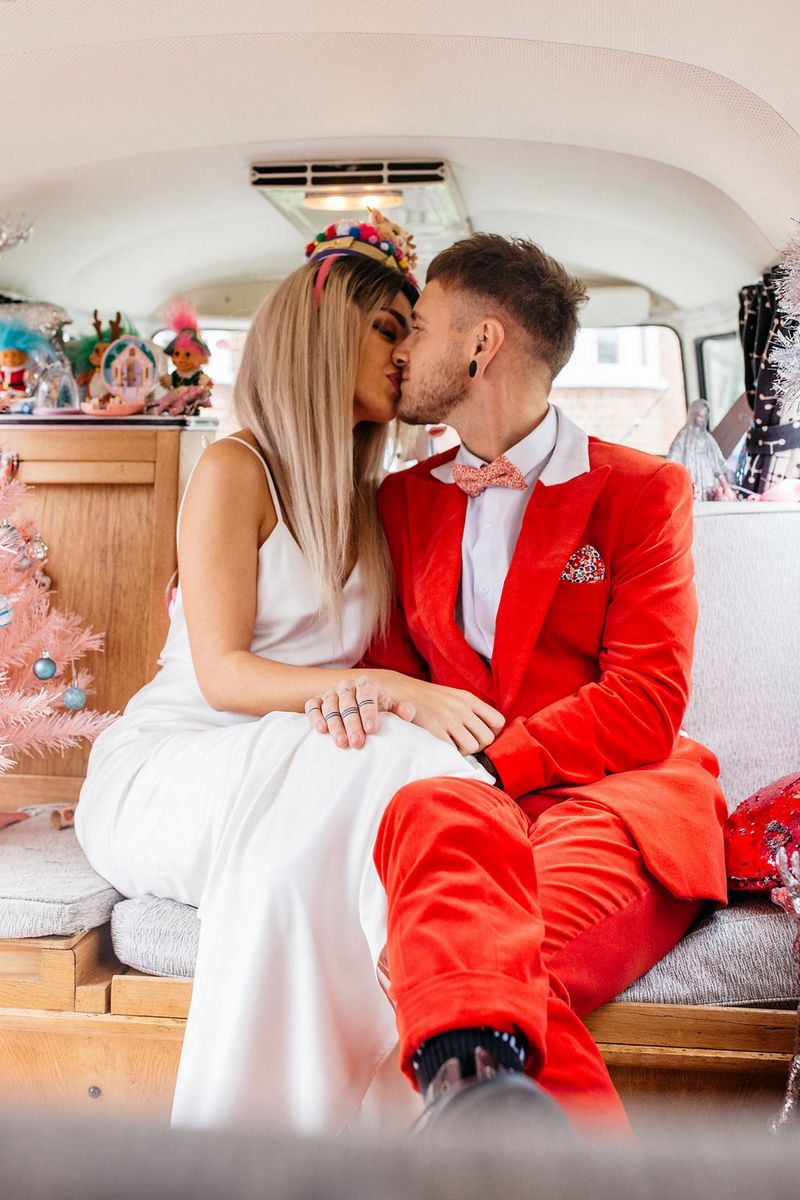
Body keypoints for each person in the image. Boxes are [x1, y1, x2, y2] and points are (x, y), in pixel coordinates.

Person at [74, 214, 515, 1134]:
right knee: (385, 747)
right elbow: (226, 674)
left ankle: (441, 1061)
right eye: (389, 329)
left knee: (361, 780)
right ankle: (452, 1066)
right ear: (320, 340)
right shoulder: (237, 470)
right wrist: (393, 695)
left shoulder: (372, 501)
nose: (406, 354)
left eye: (413, 331)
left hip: (309, 751)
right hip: (181, 763)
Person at [305, 233, 729, 1131]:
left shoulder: (643, 493)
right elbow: (392, 675)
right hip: (458, 805)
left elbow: (647, 702)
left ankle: (466, 1104)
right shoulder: (401, 501)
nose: (402, 351)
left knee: (476, 963)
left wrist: (494, 766)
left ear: (481, 343)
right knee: (425, 818)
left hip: (611, 799)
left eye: (416, 325)